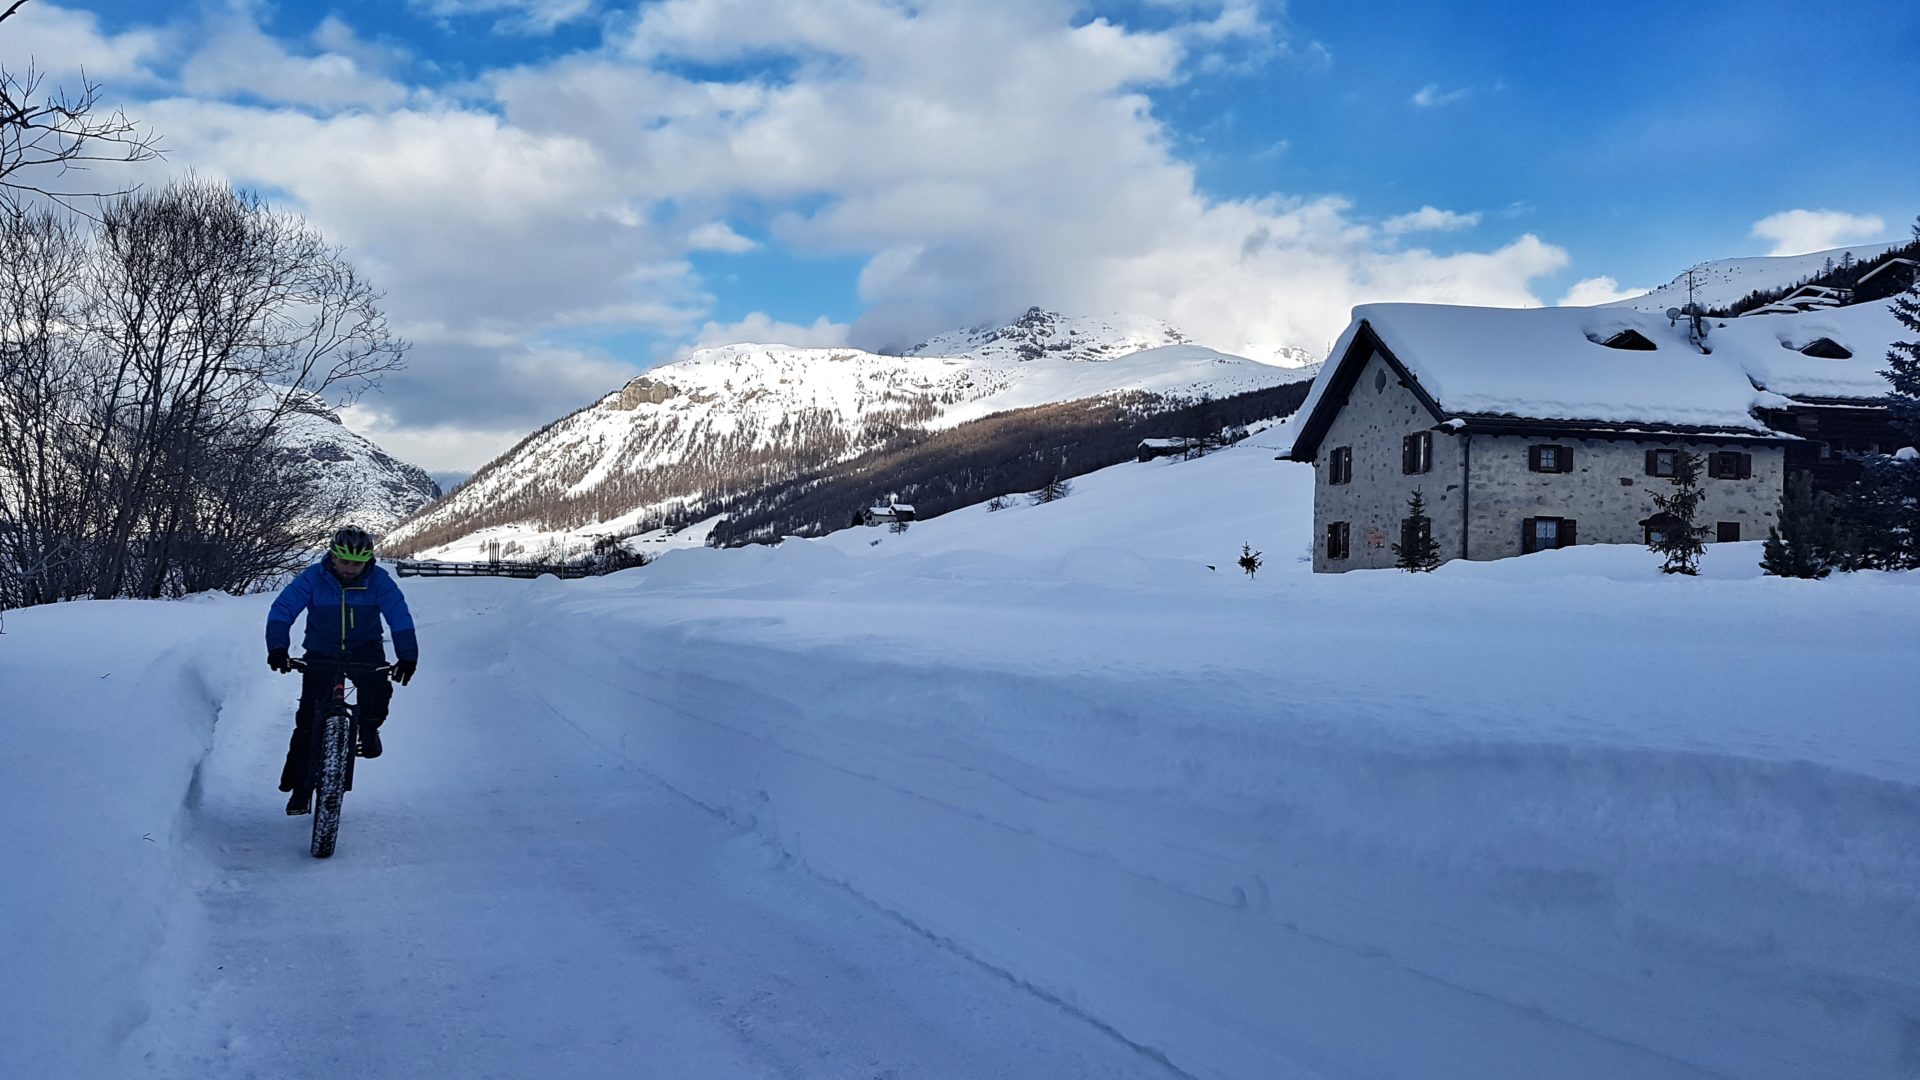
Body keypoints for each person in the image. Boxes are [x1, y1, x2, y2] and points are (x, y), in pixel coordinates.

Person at [266, 526, 419, 816]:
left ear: (367, 561)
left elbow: (399, 617)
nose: (350, 569)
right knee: (308, 721)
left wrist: (407, 656)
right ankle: (299, 789)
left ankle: (369, 728)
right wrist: (277, 648)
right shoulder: (313, 578)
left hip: (365, 649)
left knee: (377, 693)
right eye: (345, 562)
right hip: (322, 651)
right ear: (333, 557)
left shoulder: (379, 581)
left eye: (357, 563)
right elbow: (282, 610)